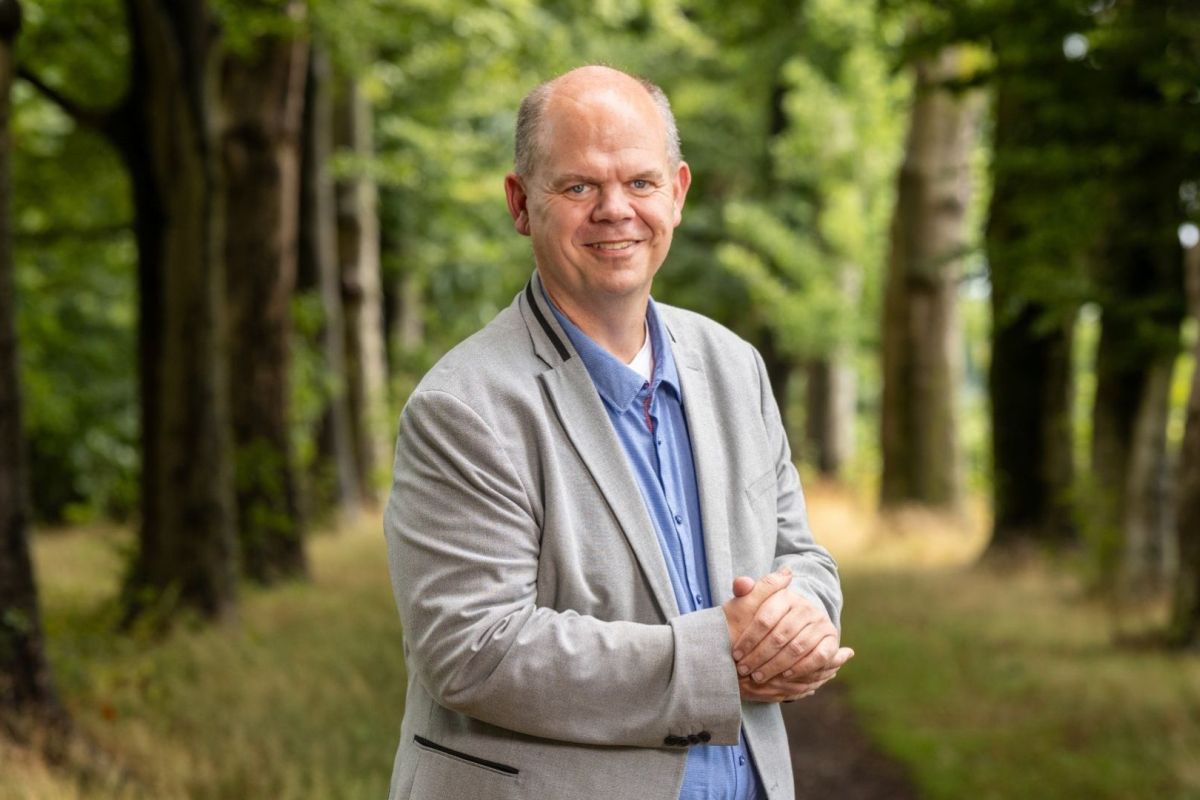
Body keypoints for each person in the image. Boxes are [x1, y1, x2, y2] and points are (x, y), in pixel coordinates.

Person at [383, 65, 853, 800]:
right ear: (521, 203)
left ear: (678, 193)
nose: (615, 210)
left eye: (640, 182)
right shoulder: (463, 407)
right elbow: (473, 651)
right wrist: (719, 655)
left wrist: (806, 620)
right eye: (579, 187)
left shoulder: (735, 367)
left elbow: (801, 557)